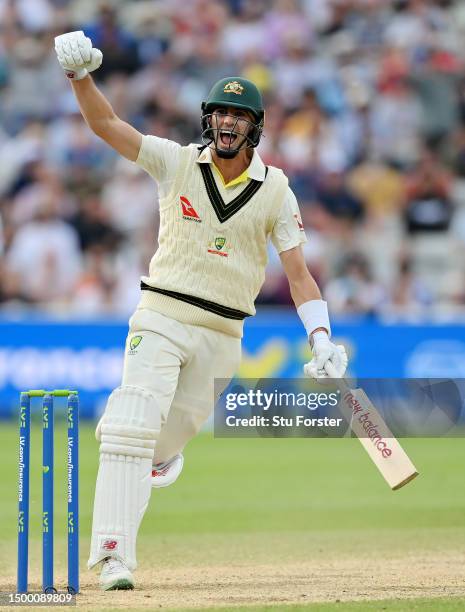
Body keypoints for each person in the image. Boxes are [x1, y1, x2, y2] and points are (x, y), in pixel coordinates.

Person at [54, 31, 348, 591]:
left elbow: (298, 273)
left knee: (158, 445)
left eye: (239, 116)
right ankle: (114, 557)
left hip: (223, 332)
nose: (227, 125)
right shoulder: (175, 162)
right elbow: (107, 126)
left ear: (255, 127)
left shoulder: (276, 191)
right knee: (129, 424)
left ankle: (161, 459)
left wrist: (321, 338)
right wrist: (80, 78)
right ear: (207, 120)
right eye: (220, 114)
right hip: (161, 313)